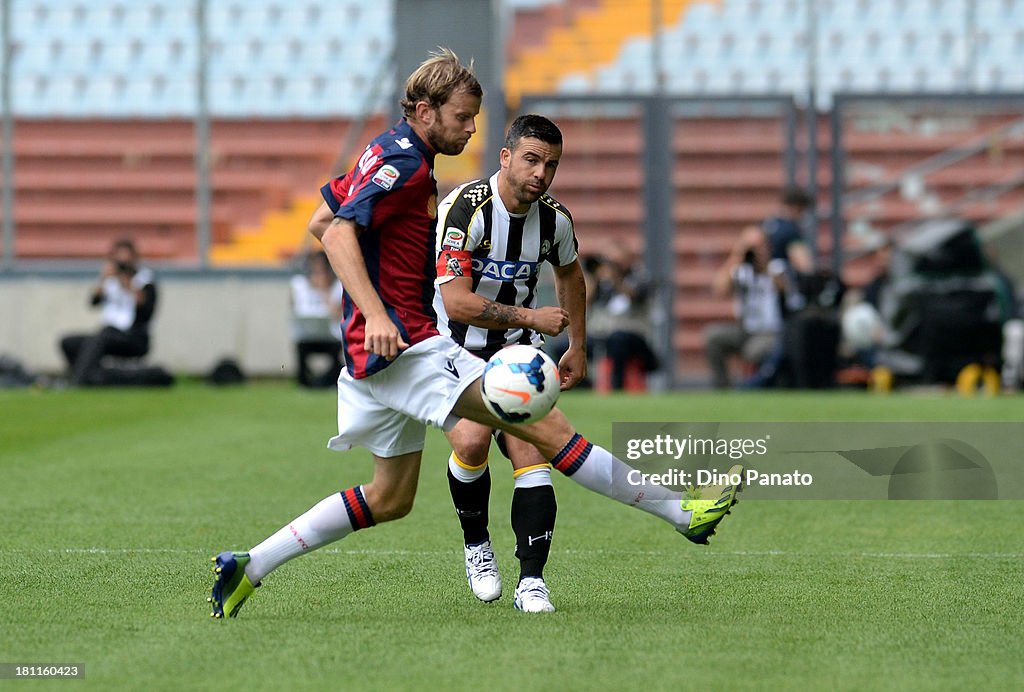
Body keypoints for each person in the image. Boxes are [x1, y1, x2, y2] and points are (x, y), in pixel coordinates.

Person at [209, 49, 742, 620]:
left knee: (390, 499)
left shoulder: (384, 151)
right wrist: (381, 314)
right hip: (408, 346)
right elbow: (337, 236)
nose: (470, 129)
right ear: (424, 111)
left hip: (373, 358)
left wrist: (372, 315)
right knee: (548, 429)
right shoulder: (408, 168)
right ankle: (683, 513)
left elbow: (318, 221)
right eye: (462, 118)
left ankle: (250, 565)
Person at [427, 114, 586, 611]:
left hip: (516, 353)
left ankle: (532, 581)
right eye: (532, 160)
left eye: (551, 165)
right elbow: (455, 302)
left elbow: (571, 276)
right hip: (455, 349)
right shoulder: (465, 209)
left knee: (532, 449)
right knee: (472, 442)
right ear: (506, 157)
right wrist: (534, 318)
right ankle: (477, 545)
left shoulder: (555, 220)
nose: (541, 173)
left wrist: (578, 343)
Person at [59, 238, 157, 386]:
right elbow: (93, 301)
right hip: (107, 334)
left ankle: (79, 381)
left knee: (100, 337)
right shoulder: (110, 281)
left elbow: (145, 309)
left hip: (132, 337)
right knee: (69, 342)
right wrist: (104, 278)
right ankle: (91, 377)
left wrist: (128, 284)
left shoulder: (144, 280)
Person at [704, 227, 783, 389]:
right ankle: (722, 388)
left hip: (770, 331)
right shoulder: (741, 270)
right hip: (745, 330)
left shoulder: (776, 267)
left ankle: (751, 387)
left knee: (753, 351)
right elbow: (719, 289)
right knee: (713, 337)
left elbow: (783, 288)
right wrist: (736, 256)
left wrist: (763, 263)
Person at [587, 247, 659, 391]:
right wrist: (595, 279)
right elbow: (586, 301)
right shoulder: (602, 283)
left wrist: (616, 278)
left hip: (635, 336)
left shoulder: (640, 277)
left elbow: (635, 295)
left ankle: (617, 388)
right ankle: (582, 388)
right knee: (565, 346)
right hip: (603, 334)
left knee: (618, 339)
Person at [290, 250, 344, 388]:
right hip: (307, 336)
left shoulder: (338, 286)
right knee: (300, 346)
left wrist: (322, 290)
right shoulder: (300, 285)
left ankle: (331, 381)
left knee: (335, 351)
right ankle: (304, 383)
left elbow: (336, 313)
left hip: (331, 337)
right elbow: (296, 312)